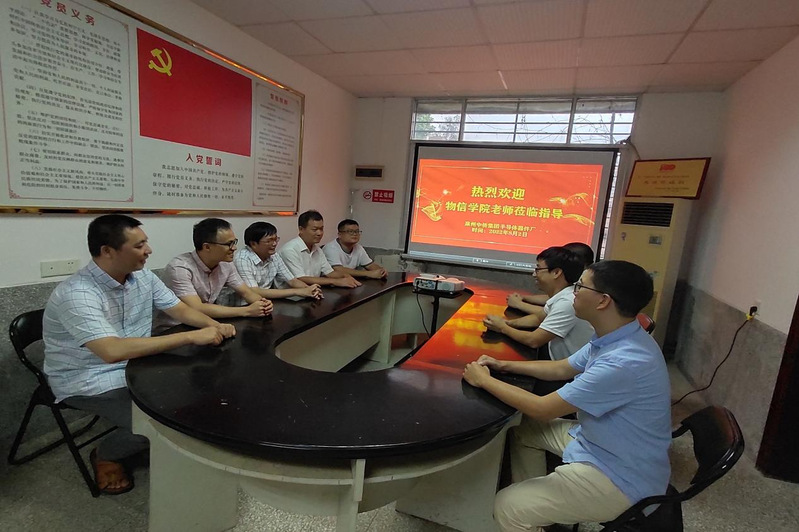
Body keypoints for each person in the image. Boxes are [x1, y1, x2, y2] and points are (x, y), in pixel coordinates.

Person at [463, 260, 671, 531]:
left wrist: (484, 380)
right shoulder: (616, 336)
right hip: (599, 441)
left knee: (507, 507)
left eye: (580, 286)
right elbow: (562, 367)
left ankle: (524, 512)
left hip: (619, 476)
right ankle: (539, 513)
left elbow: (542, 409)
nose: (574, 291)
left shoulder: (623, 362)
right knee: (525, 430)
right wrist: (503, 365)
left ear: (603, 301)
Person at [43, 215, 236, 494]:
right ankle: (106, 454)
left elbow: (180, 309)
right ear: (108, 251)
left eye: (146, 242)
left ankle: (166, 441)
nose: (149, 250)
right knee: (159, 425)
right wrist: (191, 336)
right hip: (89, 379)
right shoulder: (77, 294)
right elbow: (111, 351)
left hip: (138, 365)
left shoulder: (143, 277)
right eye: (139, 245)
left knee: (200, 394)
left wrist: (213, 326)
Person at [155, 218, 273, 332]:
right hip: (174, 329)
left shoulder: (226, 263)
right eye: (229, 244)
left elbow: (246, 292)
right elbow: (197, 308)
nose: (234, 248)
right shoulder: (180, 268)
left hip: (207, 324)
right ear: (207, 247)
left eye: (234, 242)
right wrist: (247, 311)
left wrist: (263, 304)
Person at [483, 246, 594, 361]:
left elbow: (533, 340)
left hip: (570, 370)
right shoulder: (562, 295)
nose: (534, 274)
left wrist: (502, 327)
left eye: (538, 269)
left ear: (556, 272)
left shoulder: (567, 302)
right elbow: (538, 318)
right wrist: (507, 323)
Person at [217, 221, 322, 306]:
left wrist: (309, 290)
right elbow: (254, 291)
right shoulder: (242, 259)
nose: (274, 244)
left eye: (276, 239)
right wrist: (297, 292)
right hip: (242, 305)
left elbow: (292, 280)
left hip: (266, 303)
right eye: (269, 241)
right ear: (253, 244)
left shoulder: (274, 255)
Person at [278, 210, 361, 288]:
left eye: (321, 229)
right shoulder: (289, 250)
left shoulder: (317, 250)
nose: (319, 233)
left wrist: (345, 276)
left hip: (313, 290)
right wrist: (335, 281)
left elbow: (329, 272)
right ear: (301, 229)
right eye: (315, 230)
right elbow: (301, 278)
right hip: (290, 294)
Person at [508, 242, 595, 313]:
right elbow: (552, 298)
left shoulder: (585, 288)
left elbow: (550, 313)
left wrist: (519, 304)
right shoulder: (570, 285)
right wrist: (523, 298)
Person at [323, 219, 387, 279]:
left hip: (350, 281)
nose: (355, 234)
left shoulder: (358, 248)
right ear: (340, 235)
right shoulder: (330, 248)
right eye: (350, 231)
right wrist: (368, 273)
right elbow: (338, 269)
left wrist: (381, 270)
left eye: (357, 231)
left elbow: (370, 265)